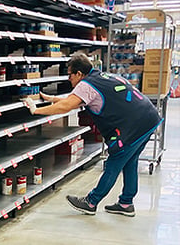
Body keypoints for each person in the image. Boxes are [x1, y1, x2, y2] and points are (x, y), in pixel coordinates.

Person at [24, 53, 162, 217]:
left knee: (114, 162)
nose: (69, 79)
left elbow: (67, 106)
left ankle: (91, 202)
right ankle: (126, 203)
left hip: (133, 127)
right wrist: (51, 98)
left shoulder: (86, 85)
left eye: (70, 75)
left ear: (79, 74)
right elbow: (74, 100)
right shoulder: (101, 77)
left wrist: (36, 110)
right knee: (130, 162)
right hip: (149, 119)